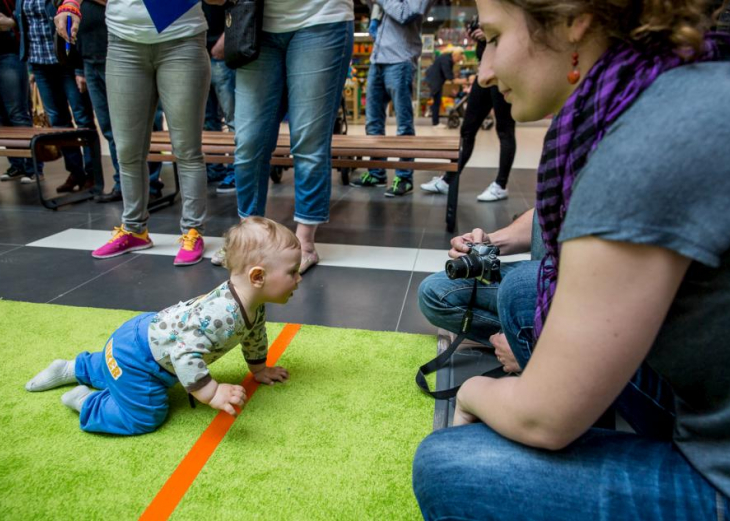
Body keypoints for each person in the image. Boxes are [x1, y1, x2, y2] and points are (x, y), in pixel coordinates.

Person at [413, 0, 730, 518]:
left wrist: (473, 392)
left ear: (571, 22)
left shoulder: (646, 139)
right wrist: (497, 244)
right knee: (519, 290)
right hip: (704, 394)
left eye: (493, 38)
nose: (486, 71)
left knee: (450, 466)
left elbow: (545, 419)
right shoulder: (659, 88)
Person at [25, 217, 297, 436]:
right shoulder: (223, 315)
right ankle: (87, 402)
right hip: (140, 356)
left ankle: (71, 368)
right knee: (145, 416)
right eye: (292, 272)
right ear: (258, 276)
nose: (298, 279)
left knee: (112, 366)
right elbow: (183, 353)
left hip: (140, 337)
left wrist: (259, 369)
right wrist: (212, 392)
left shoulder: (253, 303)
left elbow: (254, 336)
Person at [55, 0, 212, 266]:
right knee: (127, 148)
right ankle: (134, 229)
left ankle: (193, 231)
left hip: (182, 39)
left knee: (186, 148)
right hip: (123, 41)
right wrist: (70, 4)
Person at [229, 0, 354, 274]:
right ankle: (250, 238)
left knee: (309, 139)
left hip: (321, 18)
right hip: (256, 23)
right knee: (249, 140)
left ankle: (305, 243)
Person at [74, 0, 164, 203]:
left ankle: (150, 183)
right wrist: (79, 68)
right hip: (90, 57)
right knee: (109, 128)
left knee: (143, 126)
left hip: (125, 54)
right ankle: (122, 184)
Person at [420, 21, 516, 202]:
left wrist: (491, 33)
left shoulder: (507, 8)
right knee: (467, 130)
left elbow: (517, 32)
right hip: (484, 71)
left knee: (505, 130)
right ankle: (448, 180)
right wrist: (476, 33)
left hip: (503, 71)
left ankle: (500, 185)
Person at [351, 0, 435, 197]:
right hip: (377, 59)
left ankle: (404, 177)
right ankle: (376, 173)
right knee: (373, 123)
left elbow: (406, 13)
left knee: (403, 124)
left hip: (400, 60)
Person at [14, 0, 96, 192]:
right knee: (58, 120)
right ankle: (76, 172)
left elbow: (73, 23)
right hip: (39, 62)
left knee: (82, 117)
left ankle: (94, 174)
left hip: (66, 61)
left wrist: (79, 68)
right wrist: (31, 67)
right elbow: (25, 25)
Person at [0, 0, 41, 182]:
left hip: (9, 53)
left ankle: (32, 168)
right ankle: (17, 165)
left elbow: (21, 16)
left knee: (17, 111)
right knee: (2, 116)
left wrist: (10, 22)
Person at [201, 2, 236, 193]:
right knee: (207, 120)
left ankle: (235, 172)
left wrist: (226, 38)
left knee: (233, 119)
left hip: (222, 51)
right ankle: (214, 168)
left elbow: (238, 7)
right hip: (199, 51)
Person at [424, 46, 467, 128]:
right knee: (436, 101)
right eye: (458, 60)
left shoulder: (447, 58)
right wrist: (462, 81)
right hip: (434, 80)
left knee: (437, 101)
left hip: (434, 79)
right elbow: (449, 76)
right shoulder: (446, 60)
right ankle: (435, 123)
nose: (457, 62)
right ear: (455, 55)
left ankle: (435, 122)